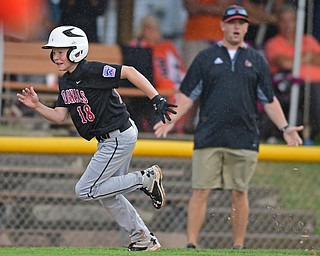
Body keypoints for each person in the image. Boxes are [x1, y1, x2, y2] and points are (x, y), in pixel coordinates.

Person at [154, 5, 303, 249]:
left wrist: (285, 127)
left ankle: (238, 246)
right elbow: (187, 95)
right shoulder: (205, 57)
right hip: (209, 134)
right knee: (200, 190)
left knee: (239, 192)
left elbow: (269, 99)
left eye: (241, 23)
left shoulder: (256, 59)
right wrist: (170, 120)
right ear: (222, 25)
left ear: (246, 27)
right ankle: (191, 244)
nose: (236, 27)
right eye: (232, 22)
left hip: (244, 136)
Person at [16, 25, 177, 251]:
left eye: (62, 51)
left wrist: (156, 99)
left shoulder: (93, 71)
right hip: (111, 138)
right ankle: (143, 237)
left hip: (117, 136)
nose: (56, 56)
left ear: (77, 50)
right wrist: (37, 105)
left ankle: (144, 179)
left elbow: (129, 71)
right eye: (54, 52)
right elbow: (59, 116)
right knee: (108, 194)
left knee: (85, 189)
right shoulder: (65, 81)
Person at [264, 4, 320, 144]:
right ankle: (311, 133)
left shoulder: (309, 40)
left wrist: (297, 58)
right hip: (291, 86)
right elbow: (285, 63)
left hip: (315, 83)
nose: (287, 25)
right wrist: (308, 57)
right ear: (278, 22)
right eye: (283, 20)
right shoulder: (273, 43)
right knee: (312, 90)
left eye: (291, 20)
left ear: (297, 21)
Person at [125, 14, 186, 133]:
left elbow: (178, 69)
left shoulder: (166, 47)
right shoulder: (136, 47)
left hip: (167, 85)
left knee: (182, 90)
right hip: (145, 85)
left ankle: (175, 126)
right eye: (148, 28)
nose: (152, 32)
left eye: (154, 28)